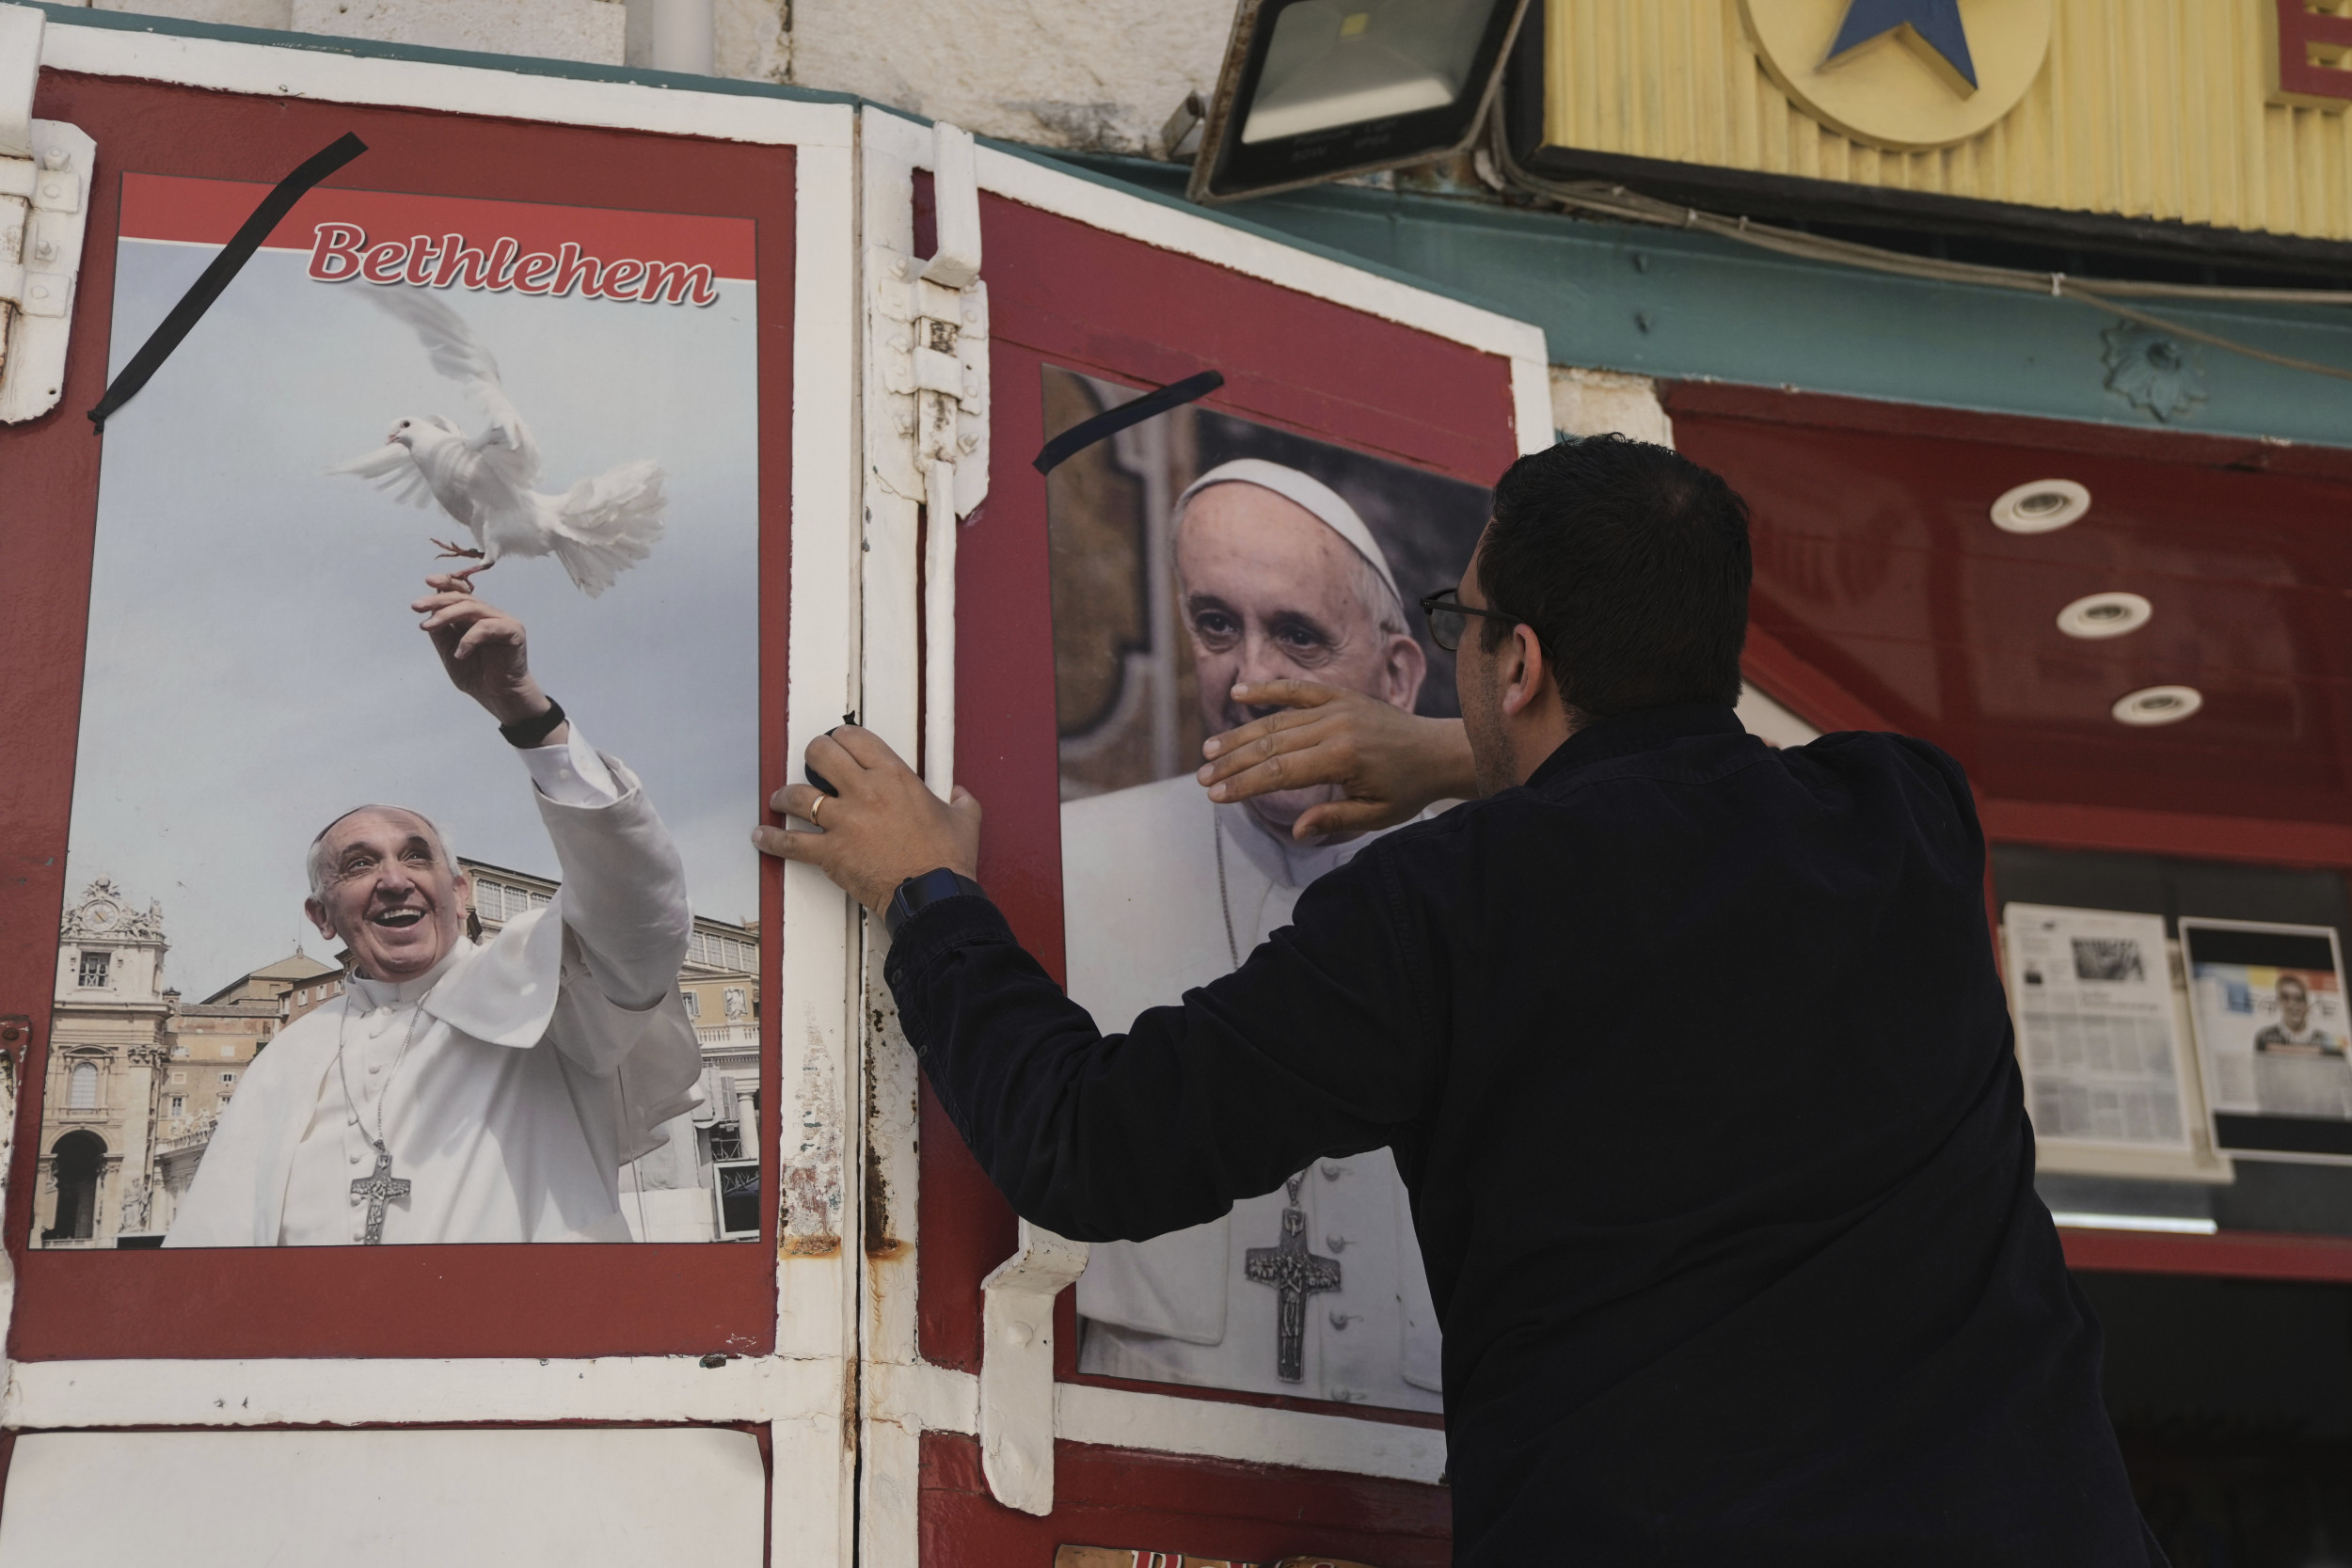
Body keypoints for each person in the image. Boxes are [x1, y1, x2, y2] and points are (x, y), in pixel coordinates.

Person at [755, 436, 2157, 1564]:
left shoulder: (1449, 906)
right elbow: (1679, 784)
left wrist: (931, 893)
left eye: (1460, 625)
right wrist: (1469, 752)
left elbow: (1090, 1140)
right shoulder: (1905, 814)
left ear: (1517, 661)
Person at [1061, 459, 1442, 1409]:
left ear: (1398, 676)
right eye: (1217, 626)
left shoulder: (1477, 884)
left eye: (1298, 635)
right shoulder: (1076, 862)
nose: (1251, 681)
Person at [167, 576, 699, 1246]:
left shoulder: (547, 990)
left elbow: (639, 908)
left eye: (416, 857)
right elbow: (210, 1250)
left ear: (461, 891)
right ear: (322, 916)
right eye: (359, 865)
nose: (394, 880)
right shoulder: (290, 1054)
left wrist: (525, 713)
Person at [2253, 973, 2339, 1054]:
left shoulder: (2325, 1040)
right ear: (2279, 1002)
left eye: (2298, 999)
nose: (2292, 1005)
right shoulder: (2264, 1036)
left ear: (2307, 1003)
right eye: (2285, 998)